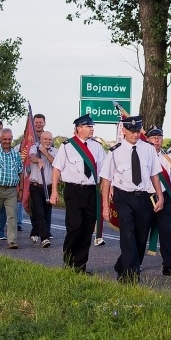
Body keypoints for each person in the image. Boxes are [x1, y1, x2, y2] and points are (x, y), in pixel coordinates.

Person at [101, 116, 164, 282]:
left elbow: (154, 175)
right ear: (124, 131)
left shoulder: (148, 149)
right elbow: (106, 180)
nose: (135, 134)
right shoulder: (115, 151)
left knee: (141, 237)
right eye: (132, 131)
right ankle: (131, 275)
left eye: (138, 131)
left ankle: (121, 265)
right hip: (123, 196)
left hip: (143, 197)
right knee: (127, 235)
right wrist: (106, 207)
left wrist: (160, 196)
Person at [50, 114, 105, 274]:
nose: (91, 129)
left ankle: (80, 265)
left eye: (92, 126)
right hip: (74, 191)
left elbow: (104, 171)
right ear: (78, 128)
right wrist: (54, 191)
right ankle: (68, 259)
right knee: (74, 227)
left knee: (87, 229)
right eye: (88, 126)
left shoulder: (97, 147)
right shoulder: (67, 146)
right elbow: (57, 169)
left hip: (92, 191)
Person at [145, 126, 171, 276]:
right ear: (147, 139)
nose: (157, 140)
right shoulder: (143, 155)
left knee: (166, 232)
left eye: (159, 138)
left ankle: (168, 265)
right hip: (147, 197)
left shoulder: (167, 157)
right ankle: (135, 263)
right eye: (153, 138)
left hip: (165, 197)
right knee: (141, 232)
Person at [28, 130, 56, 247]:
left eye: (50, 139)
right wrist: (39, 159)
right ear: (41, 139)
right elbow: (32, 157)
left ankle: (35, 231)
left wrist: (45, 153)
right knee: (39, 212)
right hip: (36, 187)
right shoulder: (35, 148)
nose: (47, 141)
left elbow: (55, 164)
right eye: (45, 139)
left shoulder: (55, 151)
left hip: (49, 187)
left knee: (45, 212)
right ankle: (44, 238)